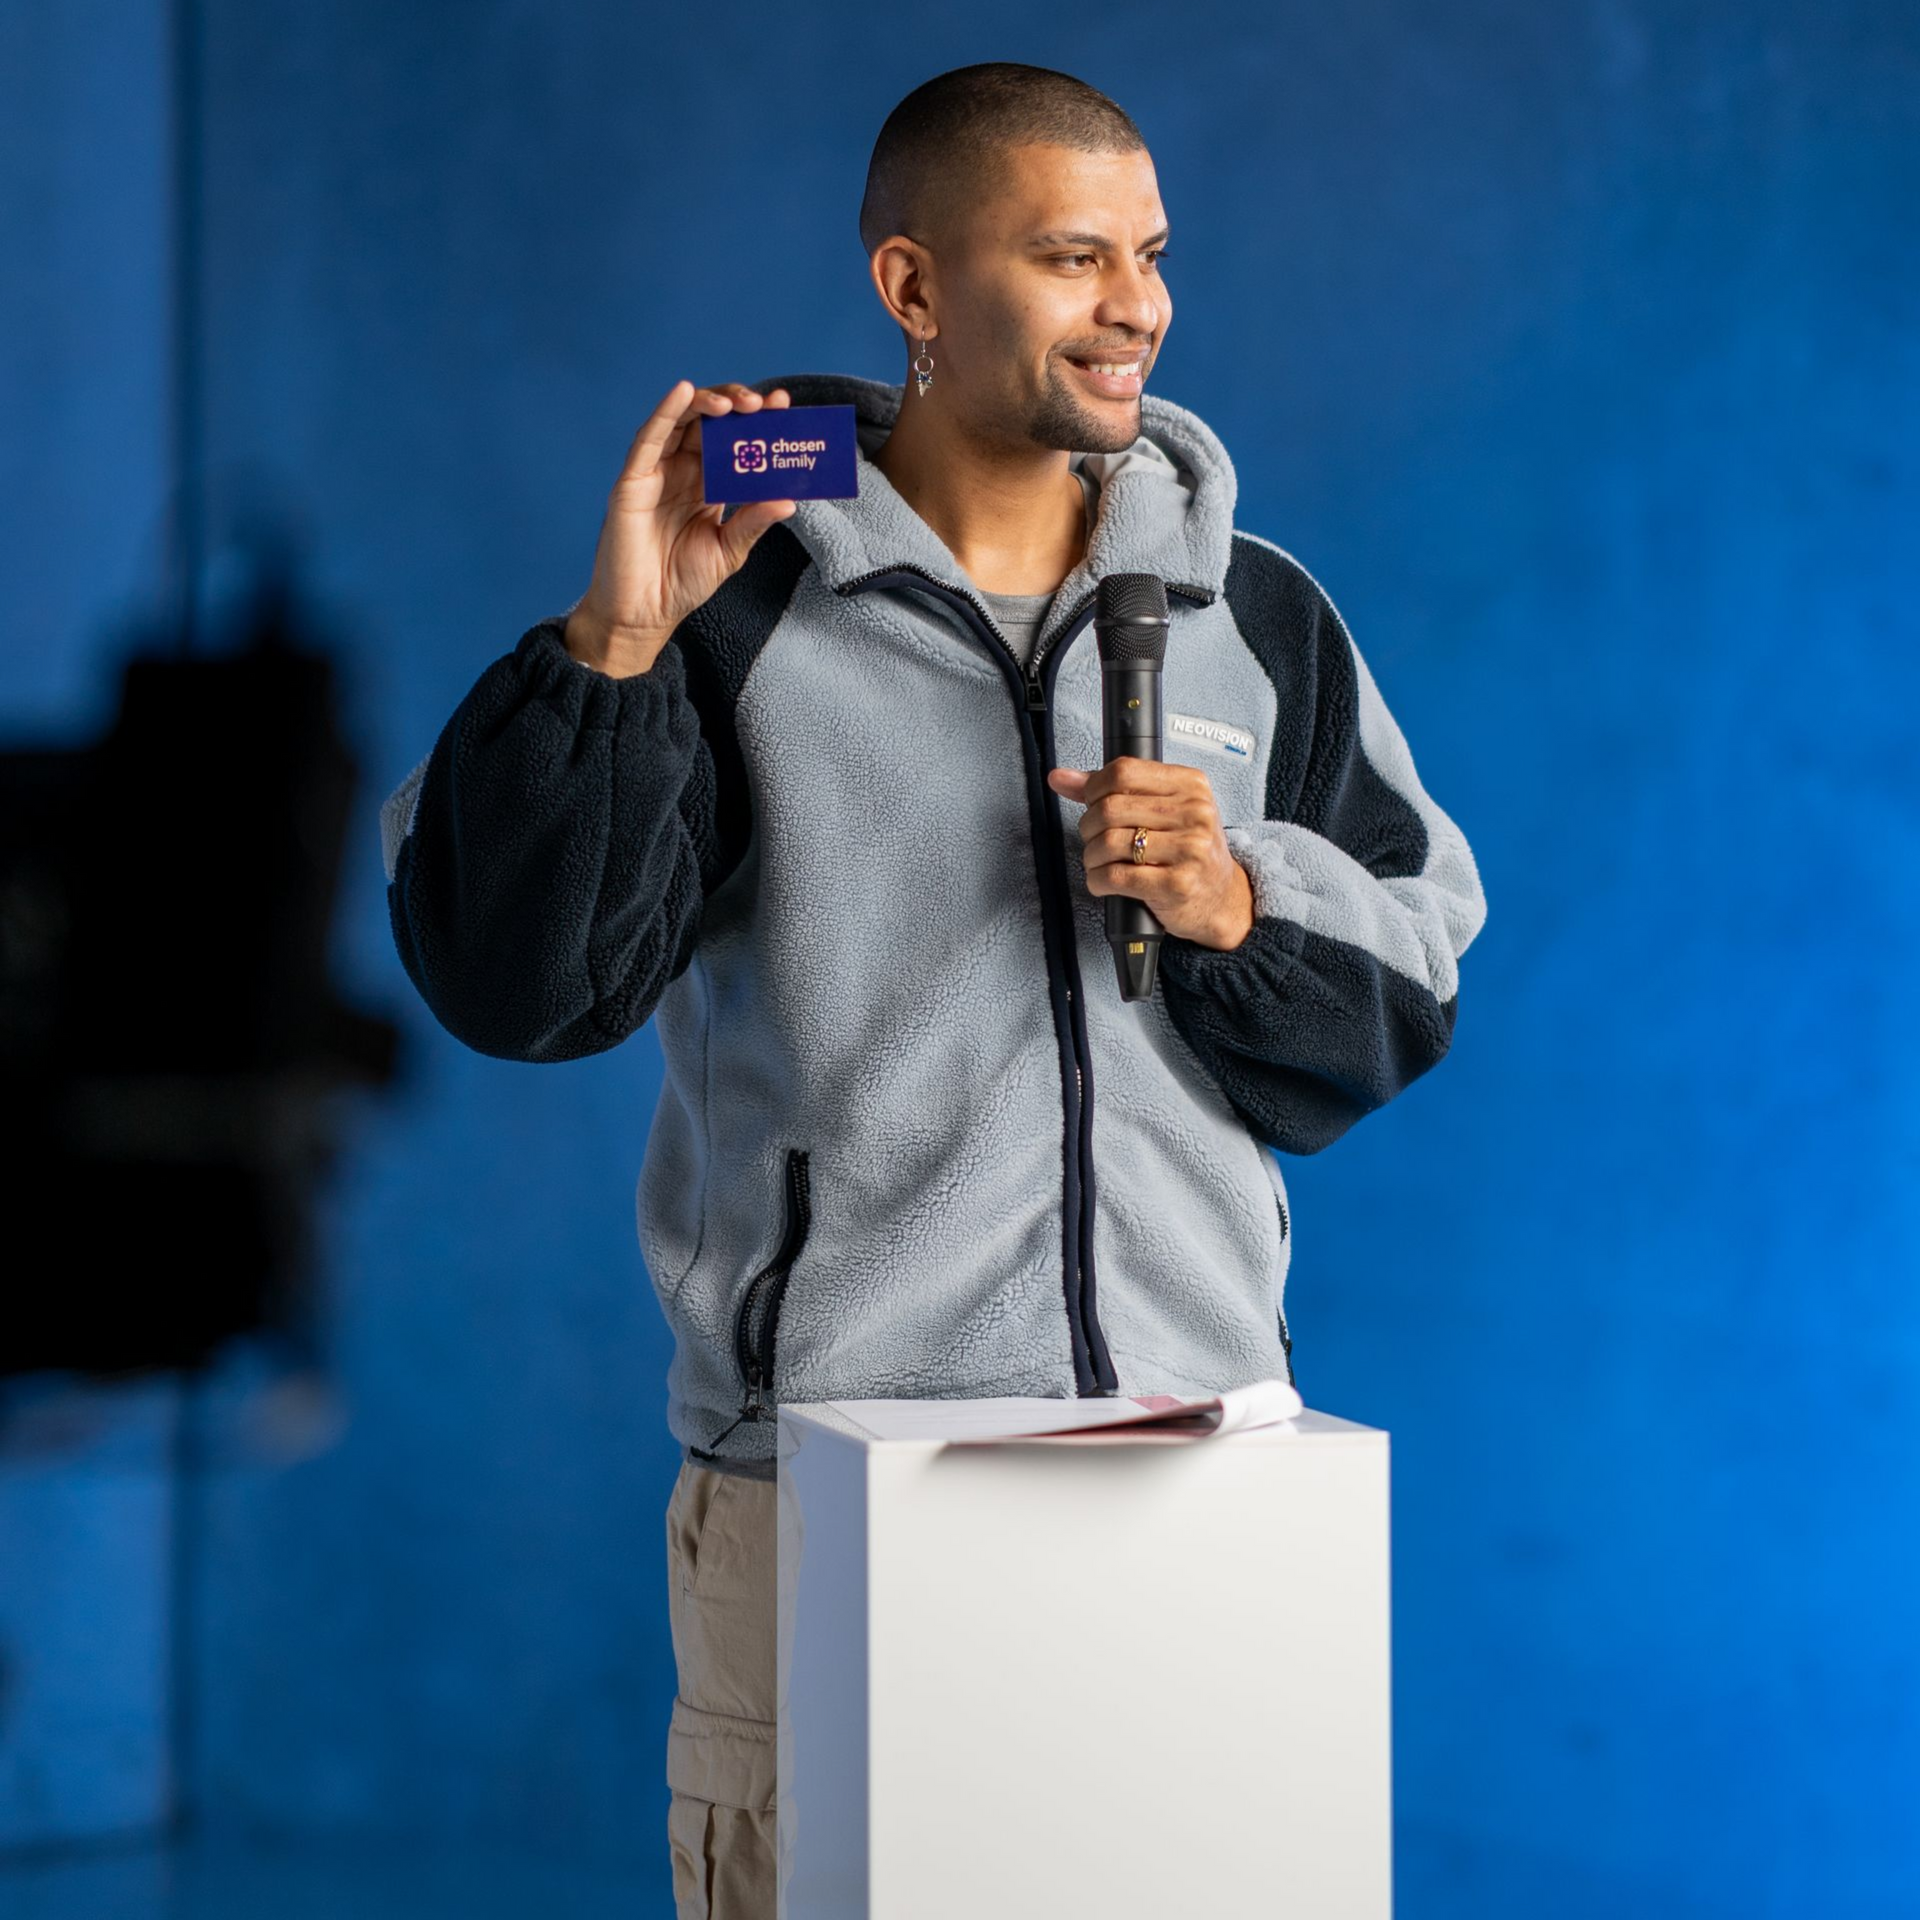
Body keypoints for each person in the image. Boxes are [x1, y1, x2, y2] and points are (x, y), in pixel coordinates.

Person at [379, 60, 1488, 1920]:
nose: (1134, 302)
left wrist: (1235, 898)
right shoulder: (728, 603)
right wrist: (617, 646)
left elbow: (1418, 966)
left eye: (1148, 254)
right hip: (828, 1487)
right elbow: (518, 983)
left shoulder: (1258, 618)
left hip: (1195, 1479)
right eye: (1070, 256)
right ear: (912, 290)